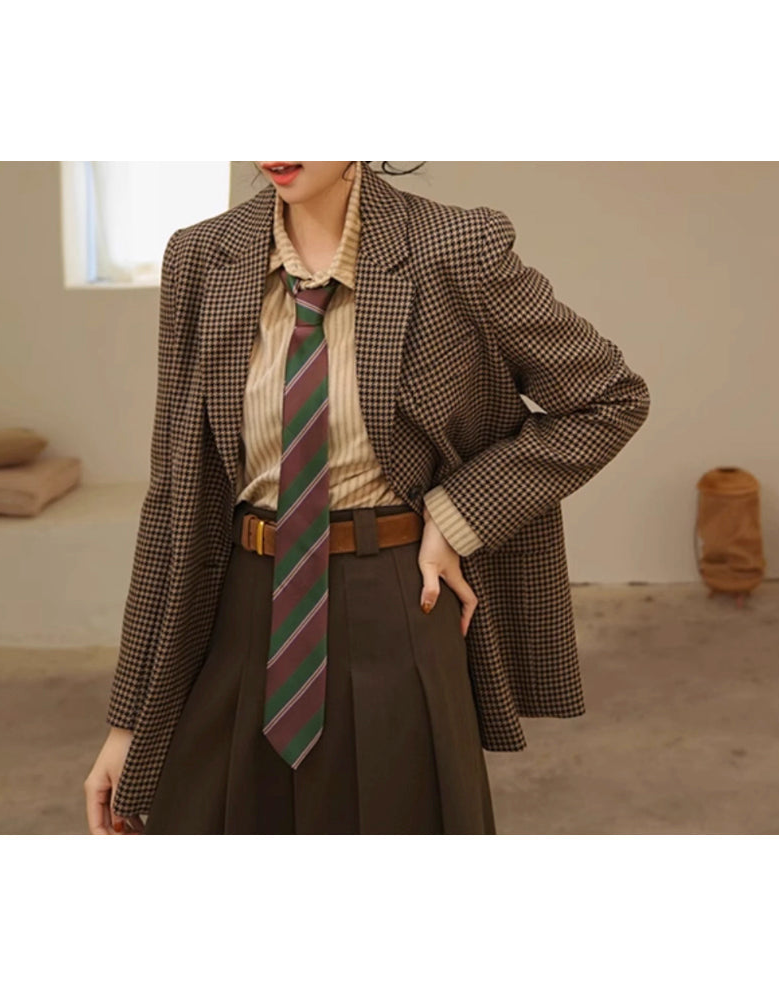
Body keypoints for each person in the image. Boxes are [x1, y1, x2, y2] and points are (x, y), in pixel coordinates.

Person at [83, 160, 651, 835]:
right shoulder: (203, 257)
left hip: (395, 603)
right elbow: (174, 496)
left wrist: (456, 515)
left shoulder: (455, 248)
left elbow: (609, 398)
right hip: (239, 604)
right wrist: (127, 725)